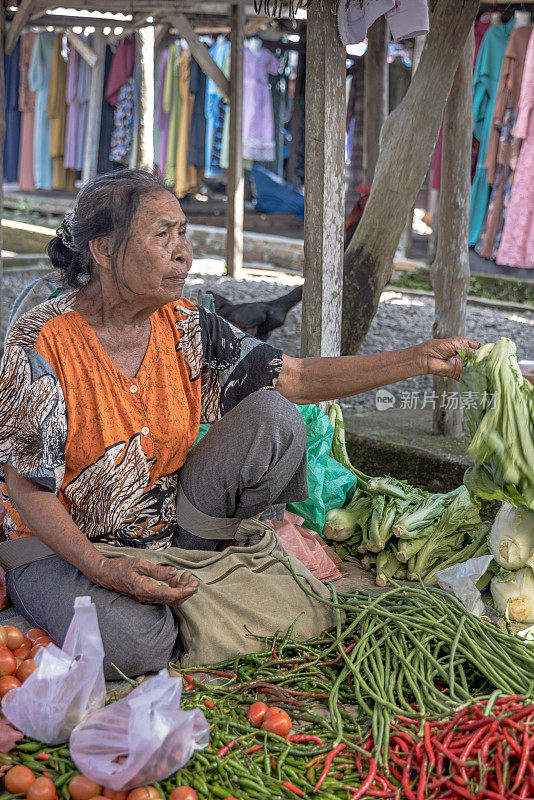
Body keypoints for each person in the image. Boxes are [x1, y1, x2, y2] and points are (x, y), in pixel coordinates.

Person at [0, 170, 480, 678]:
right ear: (102, 250)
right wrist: (104, 570)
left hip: (167, 531)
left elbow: (295, 376)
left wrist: (422, 359)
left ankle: (183, 586)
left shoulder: (185, 324)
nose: (184, 251)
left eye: (182, 232)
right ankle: (137, 600)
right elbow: (29, 493)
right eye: (162, 235)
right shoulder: (39, 344)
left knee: (274, 415)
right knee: (134, 646)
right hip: (61, 546)